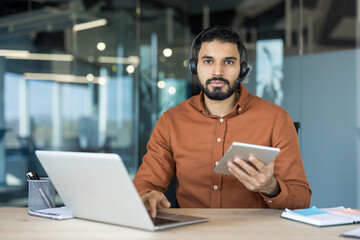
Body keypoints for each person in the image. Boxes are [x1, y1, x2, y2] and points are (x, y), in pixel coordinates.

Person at [133, 25, 311, 218]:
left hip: (254, 233)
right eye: (208, 61)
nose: (217, 72)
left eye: (228, 62)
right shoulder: (171, 121)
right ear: (195, 67)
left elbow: (301, 198)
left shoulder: (276, 119)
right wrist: (148, 195)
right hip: (191, 230)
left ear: (242, 69)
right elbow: (145, 184)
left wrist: (270, 187)